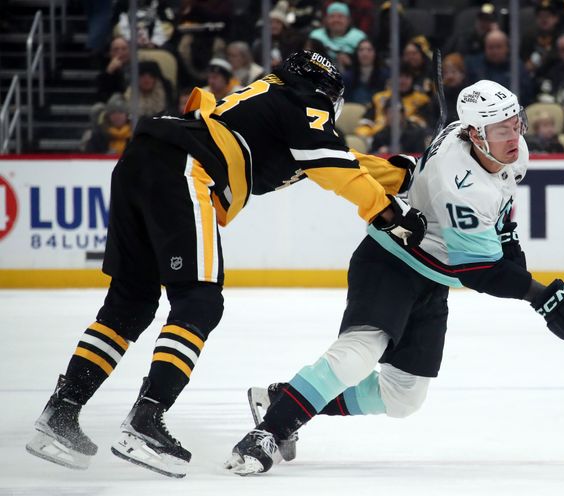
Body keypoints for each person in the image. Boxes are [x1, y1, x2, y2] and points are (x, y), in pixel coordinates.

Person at [25, 50, 427, 479]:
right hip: (186, 167)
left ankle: (61, 413)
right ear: (325, 90)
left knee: (131, 303)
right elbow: (329, 162)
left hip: (144, 159)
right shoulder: (305, 101)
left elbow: (338, 161)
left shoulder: (274, 106)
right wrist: (387, 211)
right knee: (199, 302)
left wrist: (399, 174)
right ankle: (146, 420)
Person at [222, 80, 564, 476]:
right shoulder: (459, 185)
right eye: (500, 129)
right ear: (475, 135)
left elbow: (500, 214)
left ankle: (285, 399)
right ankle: (266, 434)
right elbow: (479, 271)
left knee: (403, 398)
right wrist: (542, 295)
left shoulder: (505, 149)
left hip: (433, 278)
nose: (514, 135)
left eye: (514, 122)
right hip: (391, 263)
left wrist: (526, 276)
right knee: (357, 357)